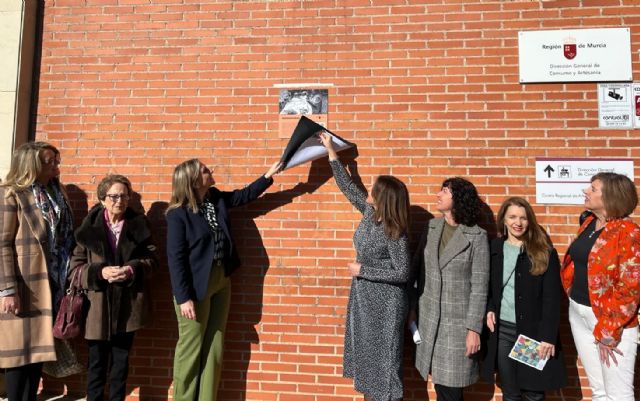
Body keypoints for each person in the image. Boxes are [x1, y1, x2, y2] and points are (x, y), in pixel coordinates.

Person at [166, 158, 282, 401]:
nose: (211, 171)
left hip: (221, 279)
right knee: (191, 348)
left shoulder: (215, 199)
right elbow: (176, 259)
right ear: (194, 180)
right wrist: (183, 297)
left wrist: (269, 174)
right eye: (206, 170)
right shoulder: (178, 215)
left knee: (215, 344)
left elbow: (244, 196)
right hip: (194, 287)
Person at [319, 132, 411, 401]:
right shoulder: (371, 214)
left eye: (373, 188)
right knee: (368, 367)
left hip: (386, 305)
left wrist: (364, 271)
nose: (368, 190)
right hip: (364, 300)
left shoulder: (396, 230)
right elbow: (348, 188)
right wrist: (332, 153)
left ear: (383, 197)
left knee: (385, 368)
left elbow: (403, 272)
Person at [69, 174, 157, 401]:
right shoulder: (87, 228)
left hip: (128, 306)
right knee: (96, 363)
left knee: (120, 363)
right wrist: (99, 272)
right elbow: (75, 267)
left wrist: (131, 269)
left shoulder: (140, 225)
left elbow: (153, 261)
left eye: (125, 196)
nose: (120, 200)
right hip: (96, 307)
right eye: (114, 196)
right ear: (102, 199)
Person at [0, 142, 76, 401]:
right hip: (25, 283)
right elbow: (2, 244)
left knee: (38, 354)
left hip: (53, 281)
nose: (56, 166)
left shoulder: (58, 193)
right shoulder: (12, 193)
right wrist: (7, 289)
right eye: (49, 161)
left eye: (56, 160)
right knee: (19, 353)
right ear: (30, 164)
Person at [561, 172, 640, 401]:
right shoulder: (588, 223)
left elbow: (630, 288)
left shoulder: (628, 233)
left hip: (611, 321)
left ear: (610, 197)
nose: (586, 191)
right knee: (599, 391)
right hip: (579, 313)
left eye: (593, 189)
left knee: (618, 394)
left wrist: (609, 330)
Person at [410, 177, 489, 401]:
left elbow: (480, 286)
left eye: (445, 191)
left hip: (457, 327)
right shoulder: (431, 227)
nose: (438, 195)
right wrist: (412, 309)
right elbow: (416, 271)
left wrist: (474, 329)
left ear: (459, 199)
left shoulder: (477, 236)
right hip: (428, 321)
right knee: (439, 385)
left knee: (451, 390)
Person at [481, 197, 566, 401]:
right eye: (512, 217)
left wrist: (547, 337)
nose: (517, 223)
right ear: (504, 219)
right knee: (510, 392)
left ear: (530, 221)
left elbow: (552, 298)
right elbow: (490, 287)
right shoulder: (495, 248)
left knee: (533, 392)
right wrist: (490, 307)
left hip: (531, 335)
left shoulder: (543, 252)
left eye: (523, 218)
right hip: (503, 333)